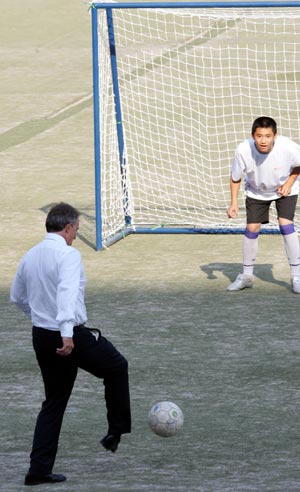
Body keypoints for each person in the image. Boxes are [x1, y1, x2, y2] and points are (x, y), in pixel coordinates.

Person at [10, 202, 131, 486]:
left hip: (41, 335)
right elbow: (66, 294)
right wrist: (65, 333)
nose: (76, 234)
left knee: (54, 402)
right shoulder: (68, 255)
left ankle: (38, 470)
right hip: (70, 336)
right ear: (67, 228)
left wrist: (40, 318)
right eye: (76, 228)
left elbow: (17, 297)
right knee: (116, 366)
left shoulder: (30, 255)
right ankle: (116, 432)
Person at [227, 116, 300, 293]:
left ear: (275, 135)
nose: (263, 140)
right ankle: (246, 276)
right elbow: (235, 178)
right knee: (252, 228)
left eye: (268, 136)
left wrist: (289, 184)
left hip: (285, 189)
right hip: (256, 191)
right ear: (253, 136)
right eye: (259, 136)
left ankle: (296, 276)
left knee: (286, 225)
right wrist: (234, 203)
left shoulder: (288, 147)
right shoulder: (243, 150)